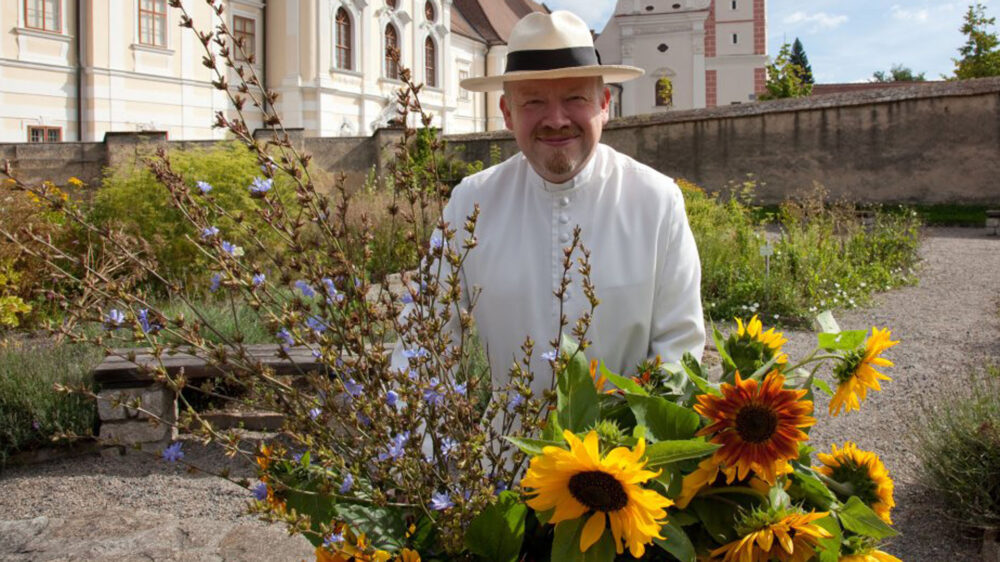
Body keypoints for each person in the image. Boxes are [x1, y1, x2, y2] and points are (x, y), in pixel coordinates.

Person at [395, 10, 705, 398]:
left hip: (623, 451)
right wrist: (430, 450)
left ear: (604, 103)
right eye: (533, 102)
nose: (556, 120)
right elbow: (425, 340)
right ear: (507, 113)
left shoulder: (657, 203)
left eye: (575, 98)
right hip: (501, 455)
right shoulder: (469, 204)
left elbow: (678, 351)